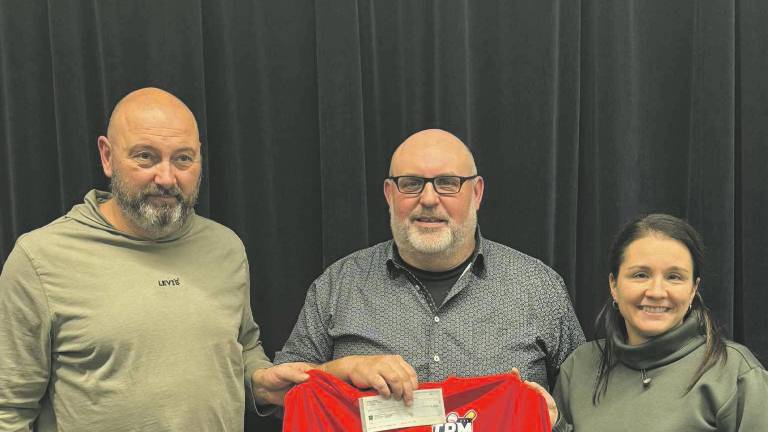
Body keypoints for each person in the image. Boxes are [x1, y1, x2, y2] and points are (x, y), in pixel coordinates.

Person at [0, 87, 310, 431]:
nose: (166, 178)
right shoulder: (40, 258)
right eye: (145, 157)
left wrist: (261, 381)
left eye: (183, 159)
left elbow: (242, 347)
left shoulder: (225, 248)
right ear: (107, 156)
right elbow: (8, 410)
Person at [271, 129, 585, 406]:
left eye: (448, 183)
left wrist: (553, 420)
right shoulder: (338, 286)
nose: (429, 199)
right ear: (389, 194)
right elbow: (281, 392)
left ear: (476, 193)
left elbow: (586, 404)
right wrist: (343, 370)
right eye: (411, 184)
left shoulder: (538, 287)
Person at [528, 214, 768, 431]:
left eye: (674, 277)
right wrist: (556, 426)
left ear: (693, 289)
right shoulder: (579, 368)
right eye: (640, 275)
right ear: (614, 285)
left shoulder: (737, 374)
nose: (656, 291)